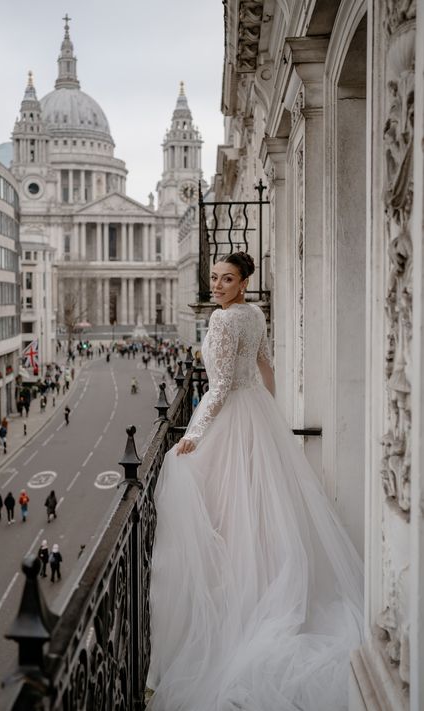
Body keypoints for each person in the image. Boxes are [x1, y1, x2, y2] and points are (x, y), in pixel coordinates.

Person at [147, 253, 363, 711]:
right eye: (214, 278)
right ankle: (259, 586)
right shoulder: (255, 314)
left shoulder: (225, 322)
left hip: (230, 417)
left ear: (245, 281)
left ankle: (236, 605)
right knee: (262, 507)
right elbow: (265, 368)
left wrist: (194, 435)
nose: (218, 285)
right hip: (255, 416)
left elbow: (220, 386)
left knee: (225, 506)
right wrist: (270, 411)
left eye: (227, 278)